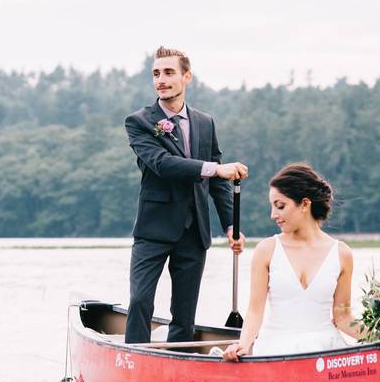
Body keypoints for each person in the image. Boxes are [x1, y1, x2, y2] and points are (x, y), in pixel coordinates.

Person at [124, 46, 248, 344]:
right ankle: (136, 362)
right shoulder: (139, 122)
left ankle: (178, 363)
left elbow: (218, 184)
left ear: (186, 76)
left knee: (184, 312)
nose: (161, 80)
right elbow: (162, 164)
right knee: (141, 301)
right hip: (153, 230)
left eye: (168, 73)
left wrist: (231, 225)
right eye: (156, 74)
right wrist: (214, 169)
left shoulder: (205, 122)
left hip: (194, 232)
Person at [223, 163, 360, 360]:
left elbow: (343, 318)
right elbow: (255, 311)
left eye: (280, 206)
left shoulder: (341, 253)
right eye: (272, 207)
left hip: (325, 351)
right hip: (275, 349)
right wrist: (242, 345)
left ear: (305, 204)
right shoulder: (266, 250)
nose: (273, 215)